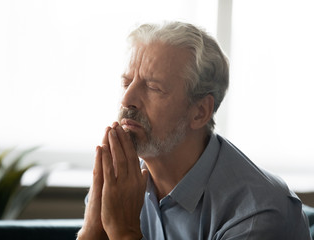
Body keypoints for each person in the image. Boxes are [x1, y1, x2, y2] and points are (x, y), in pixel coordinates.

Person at [77, 21, 311, 240]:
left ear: (200, 111)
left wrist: (125, 232)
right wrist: (91, 231)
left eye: (152, 87)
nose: (127, 99)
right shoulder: (120, 178)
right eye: (127, 83)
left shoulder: (258, 213)